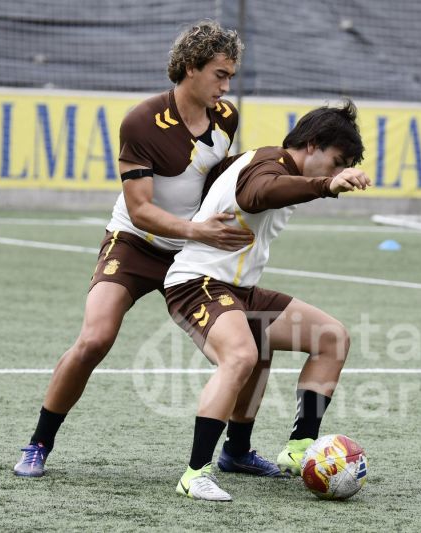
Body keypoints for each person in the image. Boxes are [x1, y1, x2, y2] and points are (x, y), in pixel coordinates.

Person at [13, 20, 254, 477]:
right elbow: (141, 210)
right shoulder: (142, 122)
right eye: (220, 74)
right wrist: (198, 231)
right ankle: (38, 444)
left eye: (230, 77)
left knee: (240, 348)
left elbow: (215, 179)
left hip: (190, 255)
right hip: (135, 245)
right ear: (189, 68)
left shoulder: (226, 117)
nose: (227, 85)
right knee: (95, 340)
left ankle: (237, 451)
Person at [164, 100, 369, 501]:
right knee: (241, 354)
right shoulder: (268, 166)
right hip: (198, 283)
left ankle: (288, 449)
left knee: (332, 337)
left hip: (239, 290)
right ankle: (194, 474)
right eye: (336, 161)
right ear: (311, 144)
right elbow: (260, 192)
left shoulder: (263, 162)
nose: (336, 171)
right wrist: (325, 186)